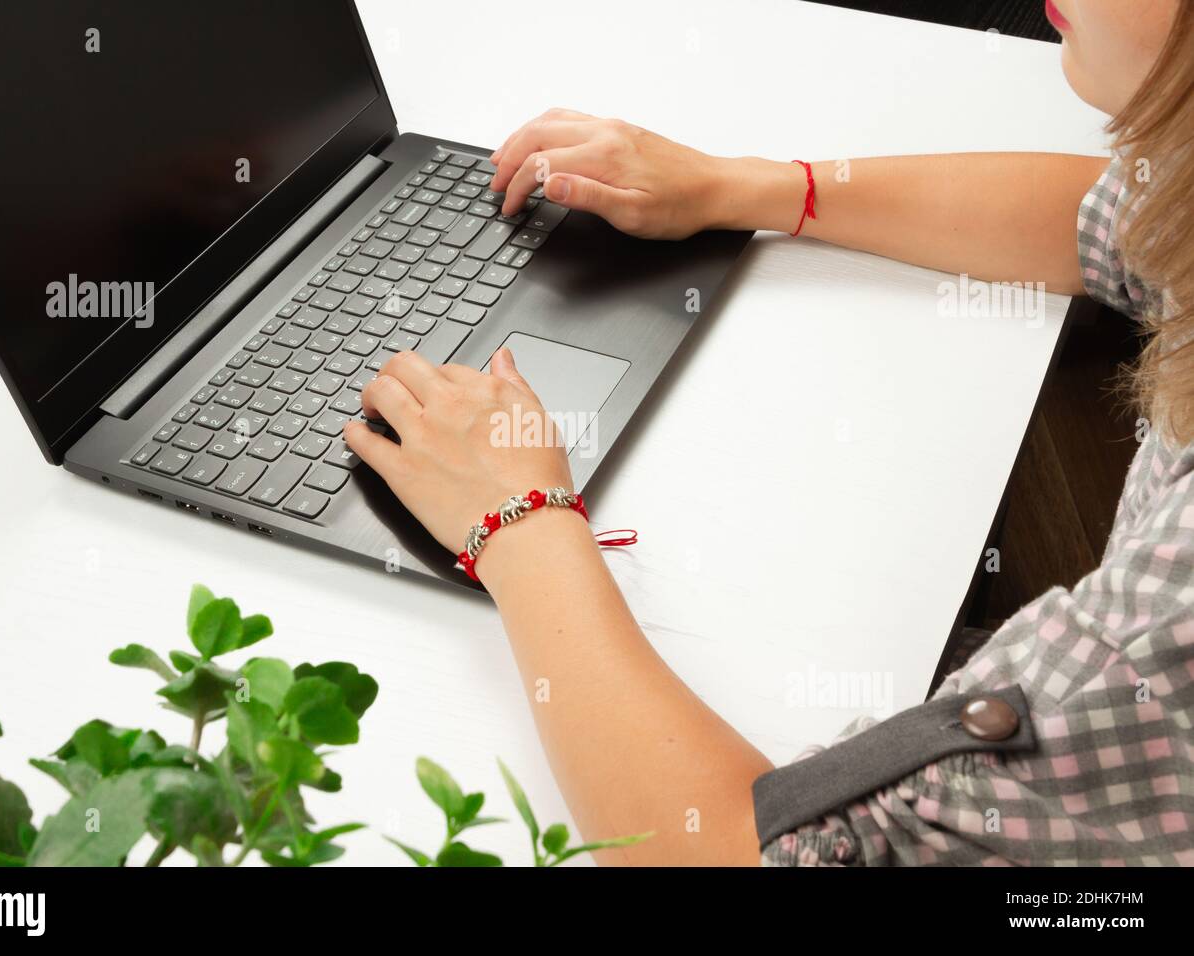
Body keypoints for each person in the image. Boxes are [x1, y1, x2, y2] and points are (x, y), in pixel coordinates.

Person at [342, 0, 1193, 865]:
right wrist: (737, 187)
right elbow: (1120, 217)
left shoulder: (1161, 626)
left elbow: (741, 857)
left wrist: (516, 520)